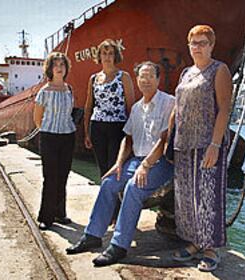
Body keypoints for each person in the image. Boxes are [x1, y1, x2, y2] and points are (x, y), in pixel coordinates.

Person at [66, 61, 174, 267]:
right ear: (137, 81)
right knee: (108, 183)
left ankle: (119, 245)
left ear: (158, 79)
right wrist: (118, 164)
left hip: (159, 162)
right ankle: (93, 235)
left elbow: (165, 137)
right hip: (136, 160)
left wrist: (146, 165)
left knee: (133, 188)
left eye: (151, 76)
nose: (146, 80)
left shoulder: (169, 102)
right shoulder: (136, 108)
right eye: (142, 76)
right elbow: (128, 138)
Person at [169, 25, 232, 272]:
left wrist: (215, 145)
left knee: (207, 196)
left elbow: (224, 108)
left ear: (212, 45)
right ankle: (195, 243)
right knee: (186, 198)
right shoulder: (186, 72)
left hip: (207, 143)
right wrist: (168, 137)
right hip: (183, 144)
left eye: (203, 42)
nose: (198, 47)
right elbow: (177, 106)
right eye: (194, 43)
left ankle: (211, 248)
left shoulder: (219, 70)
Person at [33, 52, 76, 230]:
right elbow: (37, 118)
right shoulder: (44, 91)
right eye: (55, 65)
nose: (59, 68)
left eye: (62, 65)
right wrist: (49, 129)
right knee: (50, 177)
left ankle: (60, 213)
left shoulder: (69, 89)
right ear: (50, 69)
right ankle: (46, 216)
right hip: (49, 137)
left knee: (63, 176)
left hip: (68, 136)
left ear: (66, 68)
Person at [84, 39, 135, 177]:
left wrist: (131, 134)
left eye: (110, 53)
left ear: (115, 56)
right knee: (102, 168)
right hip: (97, 127)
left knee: (114, 167)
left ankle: (114, 198)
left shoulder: (123, 77)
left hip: (117, 127)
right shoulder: (93, 79)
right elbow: (89, 106)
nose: (107, 57)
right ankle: (105, 197)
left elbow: (130, 106)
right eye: (104, 53)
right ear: (99, 56)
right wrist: (87, 133)